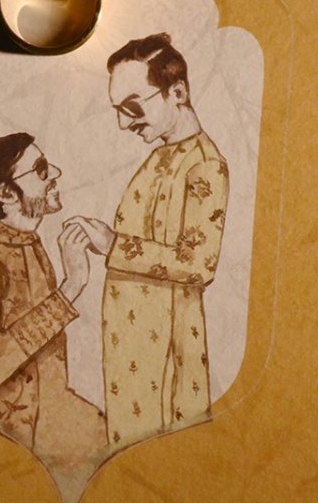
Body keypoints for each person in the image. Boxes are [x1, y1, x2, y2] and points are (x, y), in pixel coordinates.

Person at [67, 34, 229, 453]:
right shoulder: (159, 155)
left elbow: (199, 265)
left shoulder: (205, 164)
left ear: (178, 93)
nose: (125, 124)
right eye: (118, 111)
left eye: (133, 108)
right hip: (131, 344)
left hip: (166, 346)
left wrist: (112, 244)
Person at [0, 132, 108, 503]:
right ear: (6, 193)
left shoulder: (32, 244)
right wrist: (71, 287)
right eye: (41, 170)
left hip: (50, 417)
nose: (55, 174)